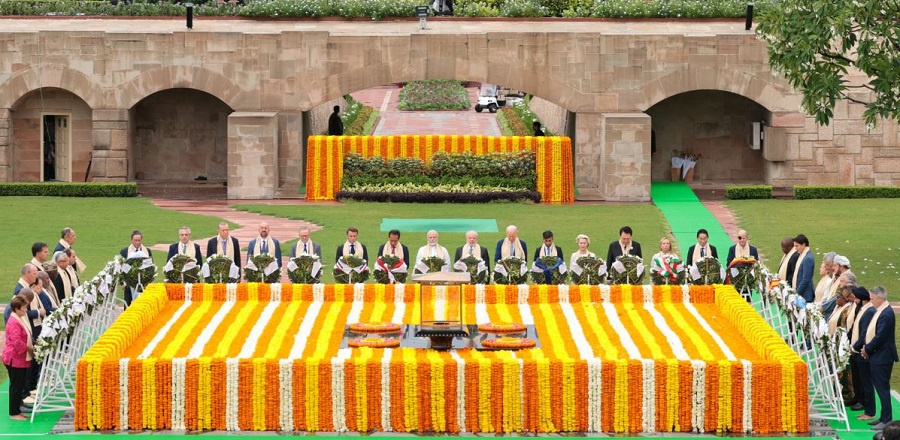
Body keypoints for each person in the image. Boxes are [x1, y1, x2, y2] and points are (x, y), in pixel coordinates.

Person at [862, 286, 898, 431]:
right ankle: (883, 417)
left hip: (883, 357)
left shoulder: (886, 313)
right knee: (881, 388)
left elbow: (880, 336)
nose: (871, 302)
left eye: (872, 299)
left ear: (880, 298)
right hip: (879, 355)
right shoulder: (882, 311)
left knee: (883, 389)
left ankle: (887, 419)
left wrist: (867, 348)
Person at [3, 296, 33, 421]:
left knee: (19, 385)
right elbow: (17, 342)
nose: (26, 310)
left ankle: (17, 409)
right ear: (16, 309)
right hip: (14, 358)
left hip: (18, 358)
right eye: (24, 308)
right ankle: (13, 412)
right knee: (16, 386)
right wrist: (30, 349)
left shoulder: (18, 318)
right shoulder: (14, 322)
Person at [851, 286, 877, 421]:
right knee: (861, 381)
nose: (854, 299)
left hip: (862, 352)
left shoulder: (868, 311)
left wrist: (855, 347)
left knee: (866, 383)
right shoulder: (863, 309)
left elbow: (864, 334)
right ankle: (866, 407)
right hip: (858, 351)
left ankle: (870, 411)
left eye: (856, 297)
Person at [120, 230, 153, 306]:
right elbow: (121, 268)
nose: (137, 242)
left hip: (143, 282)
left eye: (139, 240)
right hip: (128, 283)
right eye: (135, 240)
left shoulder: (147, 251)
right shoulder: (124, 251)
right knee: (128, 304)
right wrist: (122, 283)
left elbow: (151, 266)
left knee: (143, 303)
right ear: (131, 240)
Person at [793, 234, 815, 302]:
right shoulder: (802, 255)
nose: (795, 248)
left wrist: (796, 294)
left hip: (805, 296)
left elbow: (806, 279)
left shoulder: (808, 259)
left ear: (803, 245)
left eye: (797, 246)